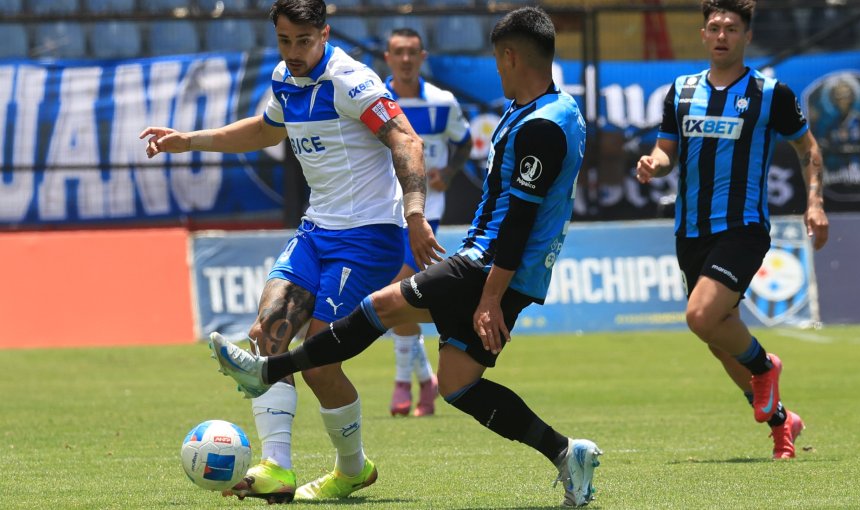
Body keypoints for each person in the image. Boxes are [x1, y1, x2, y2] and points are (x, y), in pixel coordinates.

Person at [210, 7, 603, 507]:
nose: (496, 70)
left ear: (509, 56)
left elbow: (521, 220)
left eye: (497, 61)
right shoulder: (538, 110)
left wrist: (490, 298)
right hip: (498, 268)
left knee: (383, 307)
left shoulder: (545, 125)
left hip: (489, 265)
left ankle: (266, 371)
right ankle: (568, 453)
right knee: (458, 385)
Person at [141, 0, 442, 503]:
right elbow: (265, 129)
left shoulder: (351, 81)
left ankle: (352, 469)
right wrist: (188, 141)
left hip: (368, 236)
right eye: (285, 40)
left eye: (304, 41)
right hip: (316, 229)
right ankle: (276, 466)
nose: (295, 51)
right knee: (266, 335)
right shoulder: (286, 76)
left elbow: (407, 142)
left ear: (324, 33)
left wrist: (414, 215)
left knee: (320, 364)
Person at [635, 0, 829, 459]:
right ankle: (784, 423)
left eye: (731, 28)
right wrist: (653, 164)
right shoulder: (680, 92)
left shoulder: (770, 92)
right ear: (703, 34)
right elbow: (666, 153)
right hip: (691, 232)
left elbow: (808, 149)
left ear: (746, 37)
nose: (722, 34)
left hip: (742, 228)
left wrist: (816, 202)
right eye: (715, 27)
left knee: (701, 317)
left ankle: (766, 367)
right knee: (720, 340)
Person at [382, 27, 473, 417]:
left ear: (423, 56)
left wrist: (449, 173)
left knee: (396, 294)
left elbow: (465, 141)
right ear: (387, 57)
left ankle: (404, 384)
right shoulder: (376, 101)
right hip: (382, 212)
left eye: (412, 52)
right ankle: (426, 382)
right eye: (398, 52)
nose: (405, 59)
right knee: (398, 301)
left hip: (425, 213)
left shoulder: (442, 102)